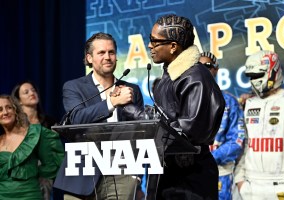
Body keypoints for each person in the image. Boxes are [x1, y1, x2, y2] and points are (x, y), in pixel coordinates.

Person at [124, 14, 225, 199]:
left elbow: (185, 133)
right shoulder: (172, 75)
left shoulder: (195, 77)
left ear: (173, 46)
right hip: (169, 173)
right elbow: (168, 118)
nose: (149, 46)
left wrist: (134, 111)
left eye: (155, 41)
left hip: (189, 179)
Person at [53, 32, 144, 200]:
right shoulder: (74, 87)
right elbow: (77, 118)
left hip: (122, 169)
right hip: (82, 170)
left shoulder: (132, 90)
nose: (107, 57)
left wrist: (137, 176)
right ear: (89, 58)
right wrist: (112, 103)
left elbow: (140, 135)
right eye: (101, 53)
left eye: (111, 52)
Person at [234, 50, 284, 199]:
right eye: (251, 76)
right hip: (250, 184)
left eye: (257, 75)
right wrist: (239, 180)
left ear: (273, 71)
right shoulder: (247, 104)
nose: (254, 80)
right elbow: (240, 144)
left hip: (282, 184)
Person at [199, 52, 245, 200]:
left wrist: (209, 158)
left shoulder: (229, 101)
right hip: (193, 174)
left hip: (221, 174)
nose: (203, 70)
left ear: (216, 69)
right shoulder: (186, 100)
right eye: (198, 66)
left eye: (207, 66)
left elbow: (237, 140)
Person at [0, 94, 64, 200]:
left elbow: (52, 165)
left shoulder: (34, 134)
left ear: (16, 110)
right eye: (0, 109)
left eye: (9, 107)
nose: (5, 112)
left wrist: (34, 172)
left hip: (30, 195)